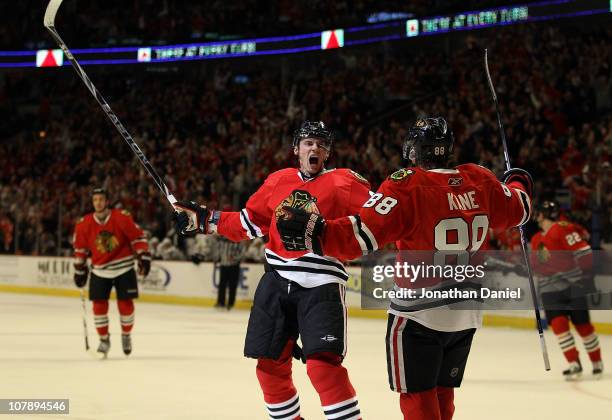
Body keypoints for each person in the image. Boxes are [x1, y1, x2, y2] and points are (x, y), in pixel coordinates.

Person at [276, 117, 534, 420]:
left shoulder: (407, 184)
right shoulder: (480, 179)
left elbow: (360, 237)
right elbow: (522, 207)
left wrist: (316, 232)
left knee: (418, 401)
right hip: (466, 313)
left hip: (418, 314)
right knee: (443, 394)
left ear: (416, 150)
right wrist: (517, 179)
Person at [175, 121, 369, 420]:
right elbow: (247, 223)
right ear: (296, 149)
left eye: (320, 143)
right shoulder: (278, 180)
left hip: (322, 284)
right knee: (268, 367)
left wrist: (329, 231)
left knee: (323, 368)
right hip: (276, 282)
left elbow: (377, 222)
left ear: (327, 152)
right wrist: (204, 219)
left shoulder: (346, 182)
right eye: (307, 142)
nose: (313, 147)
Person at [73, 188, 151, 357]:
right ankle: (104, 339)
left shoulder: (121, 217)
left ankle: (126, 335)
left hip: (124, 268)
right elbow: (80, 248)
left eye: (101, 199)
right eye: (95, 200)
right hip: (100, 270)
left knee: (126, 306)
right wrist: (79, 268)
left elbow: (138, 237)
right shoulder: (84, 224)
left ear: (107, 201)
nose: (98, 202)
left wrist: (143, 255)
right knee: (99, 307)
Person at [531, 200, 603, 380]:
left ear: (542, 215)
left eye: (538, 213)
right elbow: (539, 263)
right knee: (559, 326)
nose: (536, 217)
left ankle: (596, 361)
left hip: (573, 287)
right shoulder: (536, 239)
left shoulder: (563, 229)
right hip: (550, 291)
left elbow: (584, 252)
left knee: (584, 327)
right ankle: (573, 363)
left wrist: (583, 276)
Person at [212, 236, 247, 310]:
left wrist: (235, 258)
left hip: (234, 266)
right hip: (223, 265)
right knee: (222, 284)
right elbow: (219, 250)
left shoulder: (238, 241)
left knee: (232, 285)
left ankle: (230, 303)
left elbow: (243, 252)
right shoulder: (222, 241)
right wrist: (217, 258)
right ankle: (221, 302)